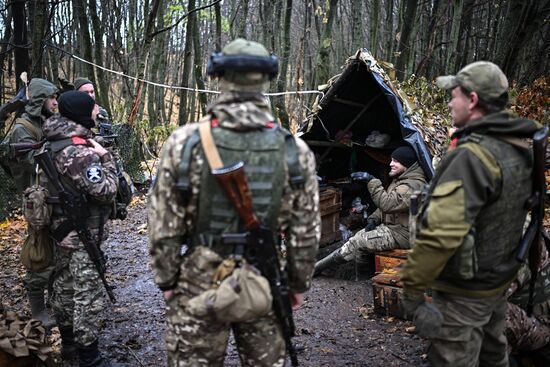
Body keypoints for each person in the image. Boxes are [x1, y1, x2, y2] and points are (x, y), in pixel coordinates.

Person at [148, 38, 321, 366]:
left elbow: (162, 224)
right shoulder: (294, 152)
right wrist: (297, 283)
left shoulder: (184, 143)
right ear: (267, 79)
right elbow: (306, 231)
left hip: (199, 281)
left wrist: (168, 280)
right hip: (264, 277)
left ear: (218, 76)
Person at [400, 61, 541, 366]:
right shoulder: (517, 147)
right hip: (497, 283)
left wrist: (411, 292)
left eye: (454, 95)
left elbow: (440, 235)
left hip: (463, 293)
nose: (450, 102)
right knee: (494, 357)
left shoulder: (472, 157)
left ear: (473, 100)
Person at [42, 91, 121, 367]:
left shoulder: (53, 142)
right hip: (80, 234)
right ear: (81, 114)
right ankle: (90, 358)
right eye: (93, 107)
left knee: (64, 286)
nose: (97, 110)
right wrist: (106, 157)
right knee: (88, 294)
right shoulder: (80, 152)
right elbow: (106, 192)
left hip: (60, 231)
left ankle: (69, 345)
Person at [314, 145, 427, 274]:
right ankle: (364, 279)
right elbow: (393, 204)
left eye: (396, 161)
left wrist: (371, 181)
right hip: (396, 229)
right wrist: (374, 218)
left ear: (407, 164)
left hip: (405, 235)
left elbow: (387, 204)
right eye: (391, 160)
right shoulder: (402, 180)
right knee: (360, 240)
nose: (391, 164)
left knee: (359, 242)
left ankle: (316, 268)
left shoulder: (413, 185)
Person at [4, 78, 58, 328]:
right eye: (51, 98)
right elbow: (28, 162)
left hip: (52, 197)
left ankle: (55, 300)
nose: (55, 103)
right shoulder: (22, 128)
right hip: (36, 201)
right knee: (39, 253)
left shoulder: (45, 122)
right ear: (39, 100)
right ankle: (38, 310)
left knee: (58, 252)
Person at [505, 232, 550, 363]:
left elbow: (489, 298)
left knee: (491, 314)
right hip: (524, 311)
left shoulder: (523, 241)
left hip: (539, 324)